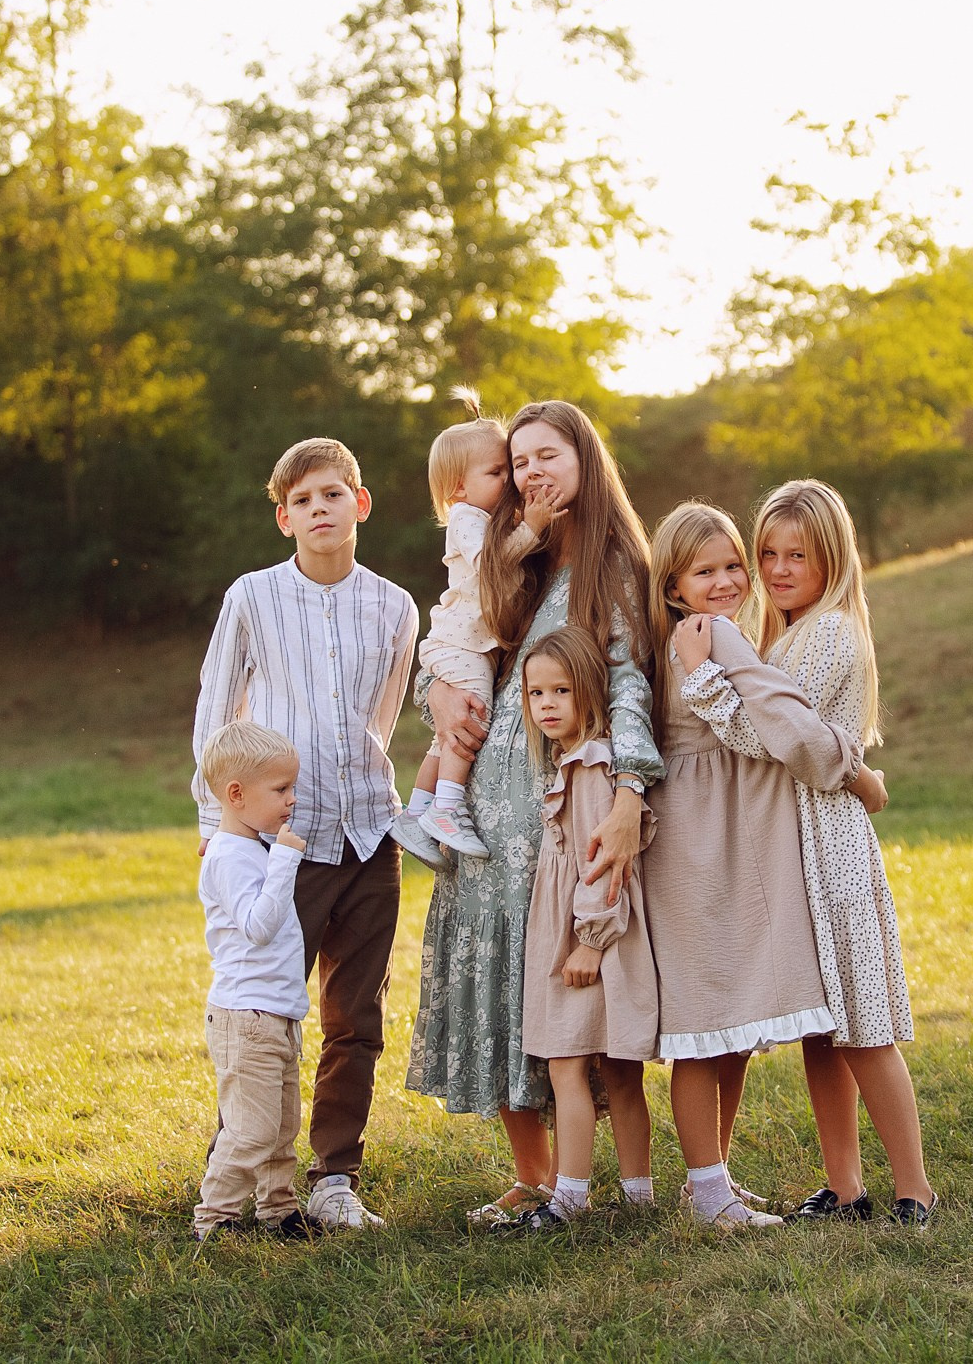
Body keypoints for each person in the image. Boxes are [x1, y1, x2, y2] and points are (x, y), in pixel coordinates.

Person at [405, 400, 662, 1227]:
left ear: (585, 457)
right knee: (488, 968)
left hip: (553, 810)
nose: (530, 474)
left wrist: (629, 795)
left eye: (546, 455)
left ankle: (589, 1181)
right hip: (481, 797)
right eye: (518, 463)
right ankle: (532, 1172)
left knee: (550, 980)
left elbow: (630, 684)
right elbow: (457, 648)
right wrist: (437, 693)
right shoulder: (522, 556)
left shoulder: (614, 566)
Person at [674, 479, 934, 1227]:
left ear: (832, 558)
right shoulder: (784, 633)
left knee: (864, 1027)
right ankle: (846, 1186)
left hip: (831, 847)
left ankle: (913, 1186)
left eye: (799, 554)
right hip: (797, 846)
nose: (780, 568)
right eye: (769, 553)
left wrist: (707, 685)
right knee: (825, 1029)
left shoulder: (825, 634)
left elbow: (778, 742)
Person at [188, 437, 419, 1232]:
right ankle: (243, 1166)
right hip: (282, 846)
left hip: (367, 835)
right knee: (266, 1011)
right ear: (283, 515)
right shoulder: (252, 597)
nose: (320, 509)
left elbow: (383, 718)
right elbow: (217, 714)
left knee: (356, 1016)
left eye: (334, 494)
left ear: (360, 503)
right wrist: (212, 820)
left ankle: (334, 1176)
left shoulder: (395, 605)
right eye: (303, 499)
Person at [496, 624, 660, 1233]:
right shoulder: (574, 761)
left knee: (570, 1066)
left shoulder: (593, 766)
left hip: (589, 937)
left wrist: (589, 943)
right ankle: (637, 1194)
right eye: (536, 694)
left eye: (560, 691)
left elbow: (603, 867)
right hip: (586, 933)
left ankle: (569, 1197)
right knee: (617, 1068)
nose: (546, 705)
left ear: (589, 691)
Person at [391, 393, 570, 867]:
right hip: (458, 641)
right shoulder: (466, 521)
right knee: (474, 718)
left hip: (471, 644)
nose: (509, 481)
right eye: (497, 473)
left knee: (442, 739)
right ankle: (448, 807)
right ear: (457, 489)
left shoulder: (490, 519)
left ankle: (417, 812)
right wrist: (531, 527)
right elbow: (495, 565)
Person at [192, 720, 316, 1241]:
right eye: (281, 790)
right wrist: (288, 858)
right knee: (252, 1130)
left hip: (276, 1014)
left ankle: (278, 1209)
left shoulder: (252, 848)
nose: (291, 801)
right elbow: (257, 928)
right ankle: (213, 1219)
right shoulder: (227, 856)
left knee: (283, 1127)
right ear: (236, 795)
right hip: (246, 1019)